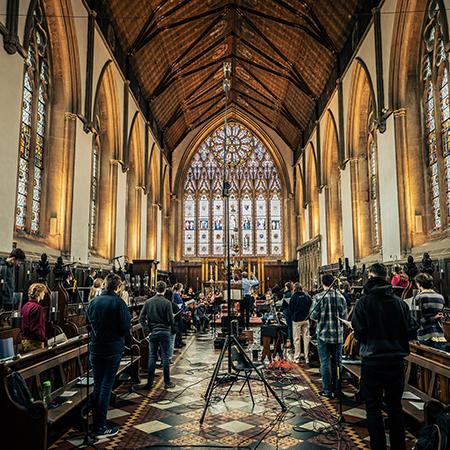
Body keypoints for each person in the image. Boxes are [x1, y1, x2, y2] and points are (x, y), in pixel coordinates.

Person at [352, 263, 417, 450]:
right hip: (395, 362)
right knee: (395, 408)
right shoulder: (400, 303)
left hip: (372, 362)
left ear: (371, 277)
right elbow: (411, 332)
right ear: (387, 277)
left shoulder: (363, 303)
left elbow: (360, 334)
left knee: (373, 409)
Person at [86, 273, 131, 437]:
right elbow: (126, 327)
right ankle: (100, 426)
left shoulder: (93, 302)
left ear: (105, 285)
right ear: (118, 287)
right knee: (106, 386)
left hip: (96, 349)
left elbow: (88, 324)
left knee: (98, 385)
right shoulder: (119, 303)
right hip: (112, 349)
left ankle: (96, 423)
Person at [309, 274, 347, 398]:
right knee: (337, 362)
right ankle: (337, 388)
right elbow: (345, 318)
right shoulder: (341, 297)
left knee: (325, 362)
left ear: (322, 283)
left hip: (323, 334)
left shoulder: (319, 297)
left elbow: (313, 316)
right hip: (337, 335)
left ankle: (327, 390)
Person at [139, 281, 175, 389]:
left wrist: (147, 329)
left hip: (153, 332)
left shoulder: (148, 302)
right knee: (165, 357)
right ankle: (167, 382)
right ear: (164, 290)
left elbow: (141, 318)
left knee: (152, 357)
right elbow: (171, 321)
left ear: (155, 289)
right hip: (164, 332)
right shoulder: (167, 303)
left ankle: (149, 383)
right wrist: (171, 319)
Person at [414, 272, 447, 351]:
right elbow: (441, 316)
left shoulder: (419, 297)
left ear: (418, 284)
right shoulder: (440, 297)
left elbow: (417, 320)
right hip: (439, 334)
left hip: (424, 335)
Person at [289, 282, 312, 364]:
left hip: (297, 320)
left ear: (294, 288)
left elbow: (290, 309)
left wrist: (293, 316)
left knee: (297, 339)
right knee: (306, 338)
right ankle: (307, 358)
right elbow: (311, 306)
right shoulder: (306, 296)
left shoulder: (293, 297)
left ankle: (297, 358)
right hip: (306, 319)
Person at [21, 283, 47, 352]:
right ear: (39, 293)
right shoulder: (38, 308)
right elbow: (37, 329)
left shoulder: (25, 306)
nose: (44, 294)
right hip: (35, 344)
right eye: (43, 292)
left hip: (25, 342)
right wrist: (44, 339)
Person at [281, 282, 293, 347]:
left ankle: (289, 340)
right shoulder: (291, 293)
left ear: (287, 287)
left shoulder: (287, 294)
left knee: (289, 326)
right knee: (290, 326)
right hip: (290, 311)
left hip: (288, 311)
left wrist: (281, 308)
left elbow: (284, 304)